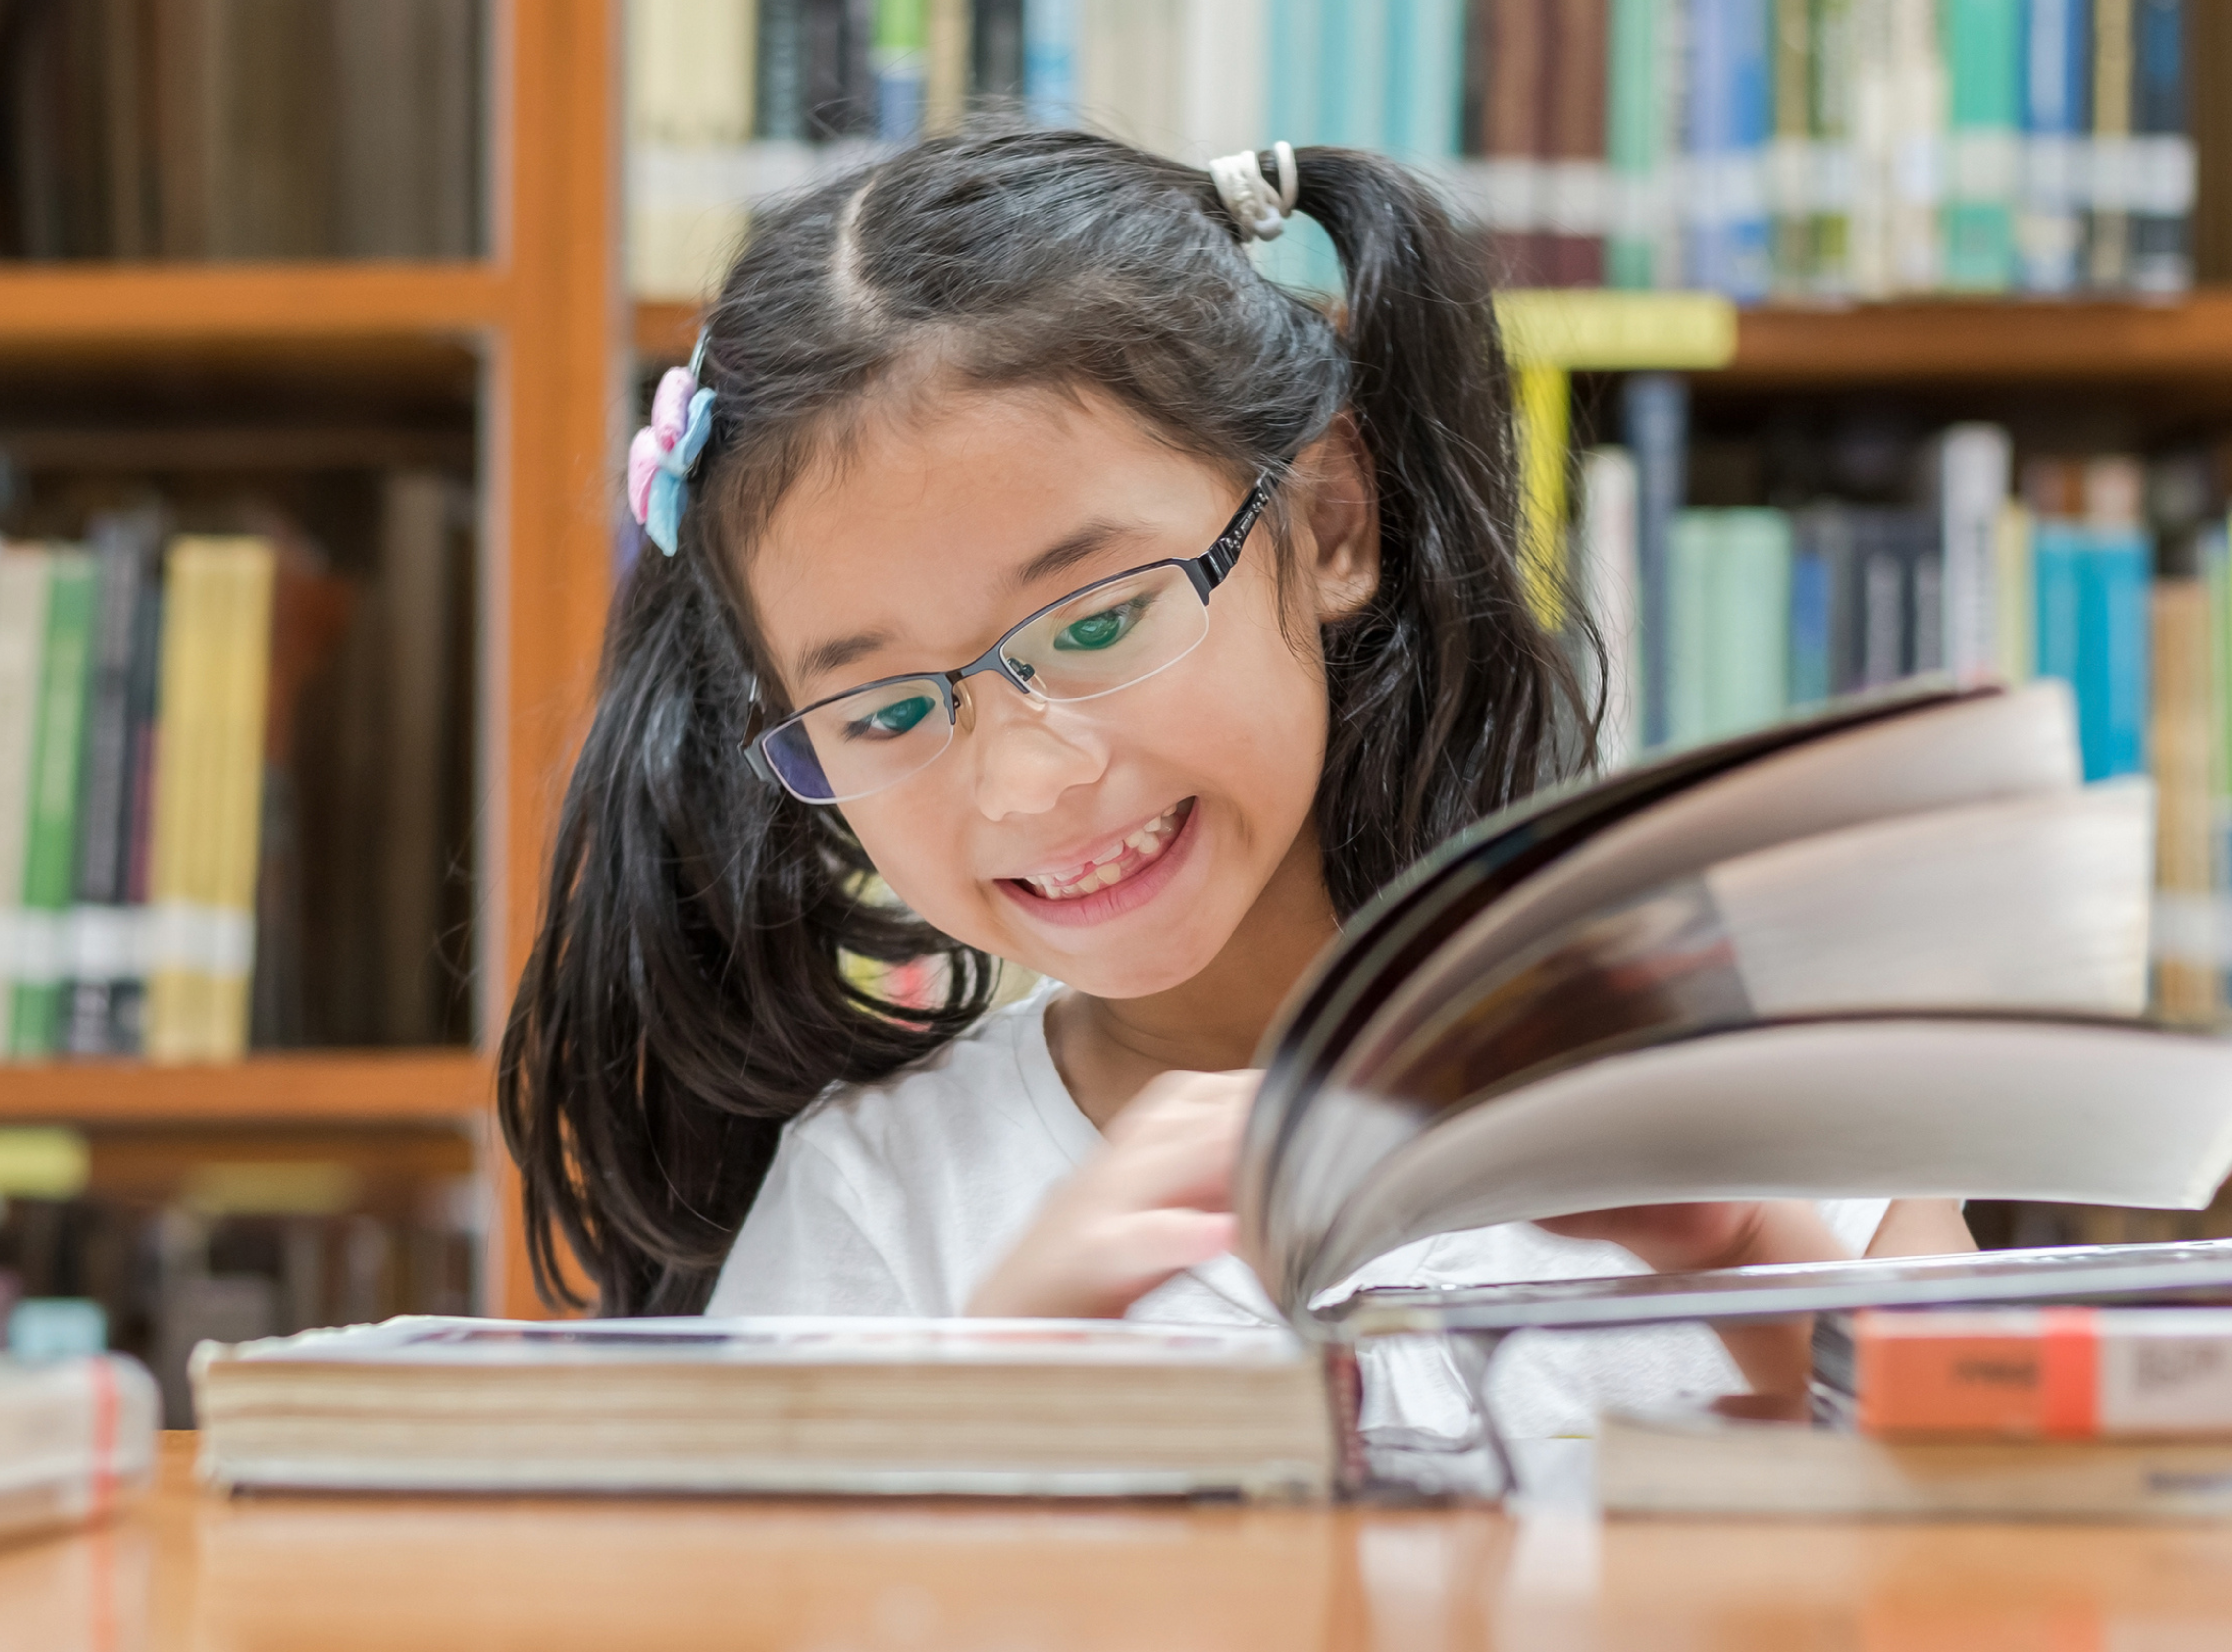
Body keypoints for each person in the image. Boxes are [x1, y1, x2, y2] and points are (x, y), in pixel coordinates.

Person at [498, 128, 1971, 1440]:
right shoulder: (883, 1205)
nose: (1024, 780)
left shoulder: (1771, 1075)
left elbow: (2017, 1571)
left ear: (1329, 517)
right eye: (886, 707)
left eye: (1096, 622)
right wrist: (993, 1386)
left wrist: (1753, 1263)